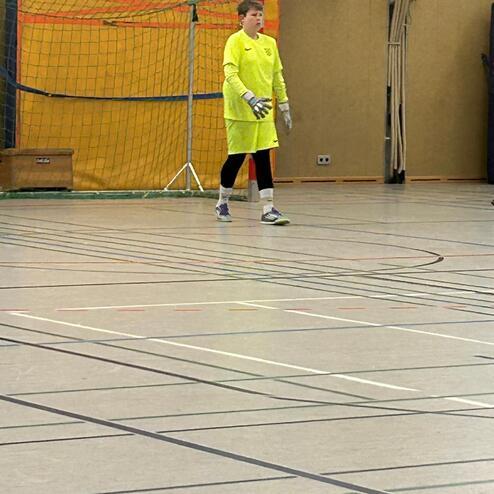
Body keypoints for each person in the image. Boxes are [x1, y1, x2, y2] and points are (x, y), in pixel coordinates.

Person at [215, 0, 292, 225]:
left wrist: (284, 104)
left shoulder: (269, 43)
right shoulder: (235, 41)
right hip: (240, 110)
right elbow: (230, 74)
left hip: (263, 109)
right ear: (242, 18)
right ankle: (222, 201)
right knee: (237, 157)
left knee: (263, 156)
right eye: (254, 15)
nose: (259, 18)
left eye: (261, 15)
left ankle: (268, 208)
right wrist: (249, 97)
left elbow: (277, 75)